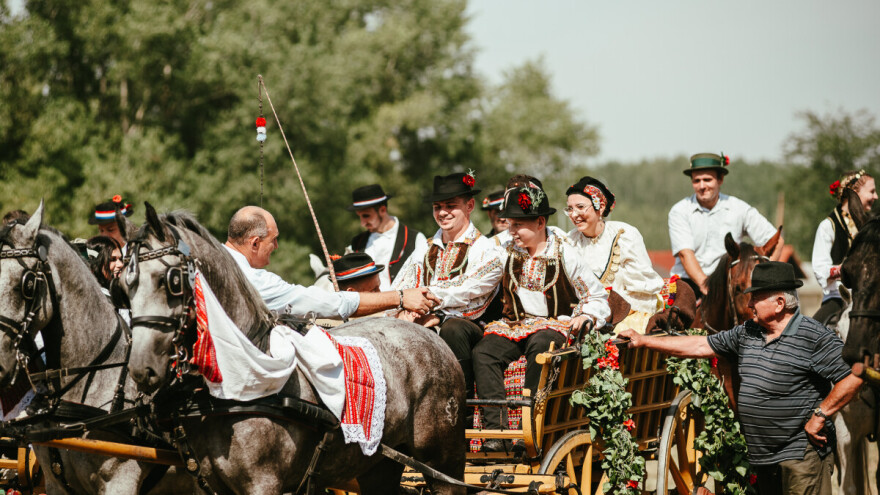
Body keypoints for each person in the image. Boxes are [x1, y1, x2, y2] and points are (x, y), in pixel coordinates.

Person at [620, 262, 863, 495]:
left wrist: (821, 414)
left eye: (756, 297)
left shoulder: (814, 336)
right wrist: (645, 340)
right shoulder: (748, 332)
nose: (749, 304)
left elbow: (853, 376)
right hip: (763, 459)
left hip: (801, 459)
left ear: (779, 303)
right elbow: (699, 344)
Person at [473, 179, 610, 451]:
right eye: (509, 224)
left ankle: (532, 431)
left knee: (541, 346)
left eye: (517, 225)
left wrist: (586, 317)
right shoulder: (504, 253)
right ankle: (496, 433)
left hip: (553, 326)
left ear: (539, 223)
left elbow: (596, 297)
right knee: (484, 352)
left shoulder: (564, 254)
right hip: (514, 326)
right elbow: (474, 286)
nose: (511, 231)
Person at [393, 171, 504, 404]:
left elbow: (472, 295)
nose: (442, 212)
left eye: (451, 205)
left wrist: (437, 316)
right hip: (426, 321)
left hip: (475, 328)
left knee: (454, 329)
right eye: (437, 206)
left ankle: (461, 409)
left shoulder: (487, 249)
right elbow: (403, 285)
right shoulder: (424, 248)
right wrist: (402, 306)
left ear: (470, 205)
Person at [223, 206, 438, 320]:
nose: (277, 246)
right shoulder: (253, 280)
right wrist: (400, 297)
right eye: (274, 240)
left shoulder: (215, 260)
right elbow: (322, 302)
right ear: (254, 243)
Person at [668, 152, 783, 299]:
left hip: (730, 284)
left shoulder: (739, 209)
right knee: (670, 319)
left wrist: (761, 278)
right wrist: (707, 288)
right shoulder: (679, 211)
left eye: (707, 179)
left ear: (720, 179)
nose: (702, 186)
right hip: (690, 284)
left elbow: (776, 241)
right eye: (697, 181)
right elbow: (685, 254)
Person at [565, 176, 667, 333]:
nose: (574, 214)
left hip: (626, 313)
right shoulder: (569, 241)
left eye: (580, 207)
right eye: (570, 209)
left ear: (600, 206)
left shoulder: (625, 235)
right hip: (585, 316)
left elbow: (641, 289)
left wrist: (612, 312)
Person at [811, 169, 877, 324]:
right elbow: (820, 269)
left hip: (869, 295)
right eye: (872, 191)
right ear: (854, 192)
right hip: (838, 297)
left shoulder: (871, 225)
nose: (876, 197)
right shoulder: (828, 226)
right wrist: (846, 269)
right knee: (812, 334)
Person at [345, 184, 426, 291]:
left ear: (382, 210)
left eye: (366, 216)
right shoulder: (357, 243)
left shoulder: (415, 239)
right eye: (359, 217)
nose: (362, 223)